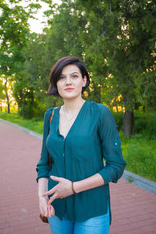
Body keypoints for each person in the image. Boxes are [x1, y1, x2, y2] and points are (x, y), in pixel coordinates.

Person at [36, 56, 126, 234]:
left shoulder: (100, 112)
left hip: (92, 208)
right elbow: (44, 164)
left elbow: (116, 166)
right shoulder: (50, 115)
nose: (68, 82)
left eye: (74, 76)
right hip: (57, 208)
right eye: (61, 77)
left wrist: (72, 188)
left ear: (84, 81)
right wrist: (41, 197)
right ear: (56, 83)